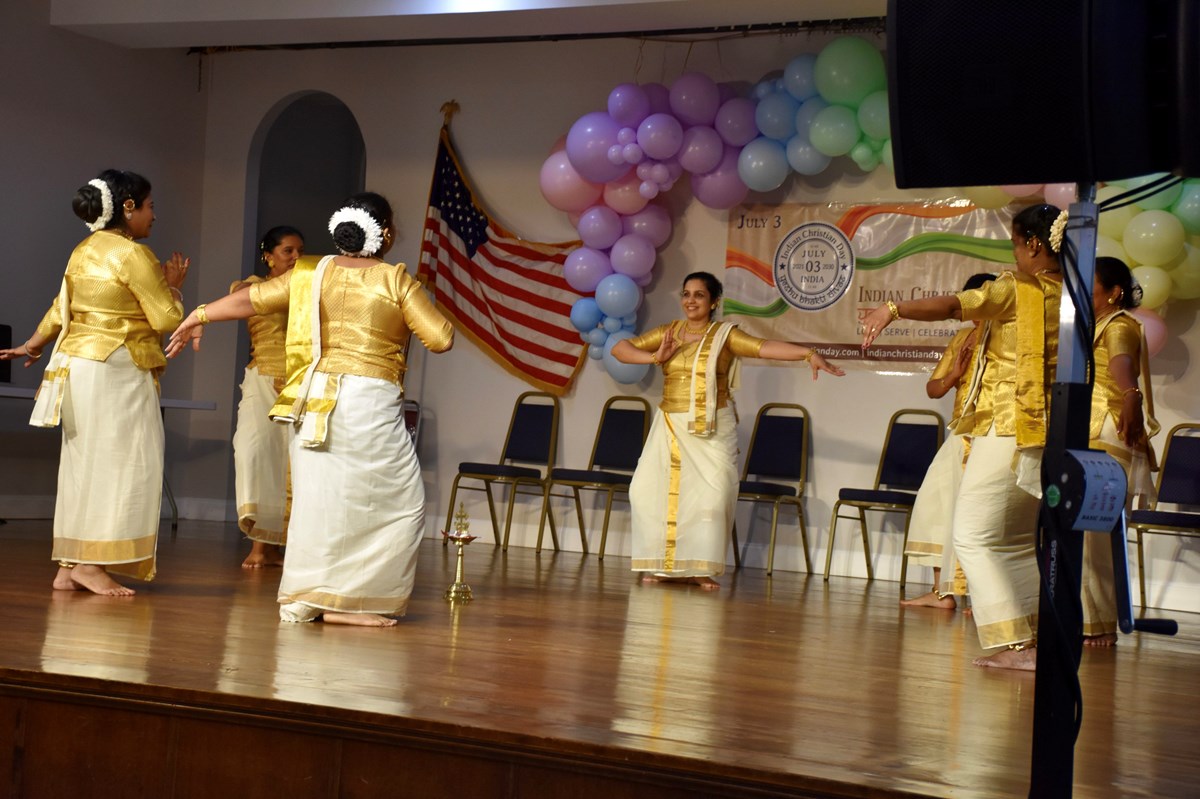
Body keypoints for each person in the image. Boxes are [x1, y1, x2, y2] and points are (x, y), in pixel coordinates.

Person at [167, 193, 453, 627]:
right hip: (367, 401)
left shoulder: (310, 273)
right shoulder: (395, 280)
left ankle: (310, 597)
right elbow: (440, 338)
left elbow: (253, 299)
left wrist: (199, 315)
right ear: (386, 233)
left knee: (319, 502)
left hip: (313, 398)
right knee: (402, 503)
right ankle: (351, 603)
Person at [862, 203, 1066, 670]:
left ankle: (1015, 644)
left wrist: (893, 308)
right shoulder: (1069, 293)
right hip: (1046, 429)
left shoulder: (1020, 288)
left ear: (1033, 244)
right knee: (1013, 538)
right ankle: (1035, 636)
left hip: (1006, 425)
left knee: (972, 534)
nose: (1013, 255)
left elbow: (956, 304)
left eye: (1015, 244)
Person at [0, 170, 189, 596]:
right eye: (150, 206)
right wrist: (174, 288)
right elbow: (166, 319)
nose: (154, 216)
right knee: (122, 464)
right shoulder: (132, 254)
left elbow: (60, 307)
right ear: (128, 207)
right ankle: (91, 563)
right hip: (116, 369)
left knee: (83, 466)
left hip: (78, 367)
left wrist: (31, 347)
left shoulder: (82, 250)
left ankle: (69, 566)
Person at [611, 271, 844, 590]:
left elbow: (763, 347)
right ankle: (661, 565)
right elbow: (620, 349)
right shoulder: (670, 333)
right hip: (669, 423)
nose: (690, 300)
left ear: (714, 302)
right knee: (646, 492)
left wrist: (807, 354)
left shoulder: (725, 335)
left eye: (699, 295)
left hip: (712, 426)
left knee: (713, 498)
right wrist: (655, 357)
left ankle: (699, 568)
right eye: (686, 294)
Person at [900, 272, 995, 610]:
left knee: (978, 515)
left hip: (990, 435)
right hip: (961, 430)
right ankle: (942, 592)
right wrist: (954, 375)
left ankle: (979, 596)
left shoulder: (1004, 336)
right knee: (936, 504)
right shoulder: (964, 338)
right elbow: (933, 388)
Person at [1080, 256, 1159, 646]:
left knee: (1093, 533)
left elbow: (1121, 361)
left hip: (1109, 432)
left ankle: (1099, 624)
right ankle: (1082, 619)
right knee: (1077, 532)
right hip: (1086, 435)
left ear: (1113, 293)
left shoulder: (1120, 324)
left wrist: (1131, 395)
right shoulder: (1086, 324)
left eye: (1091, 287)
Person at [231, 226, 305, 569]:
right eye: (288, 251)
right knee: (254, 452)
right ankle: (259, 542)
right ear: (268, 256)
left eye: (299, 251)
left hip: (298, 382)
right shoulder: (249, 287)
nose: (295, 258)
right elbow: (248, 299)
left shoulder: (305, 288)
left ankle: (271, 547)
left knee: (287, 462)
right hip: (261, 377)